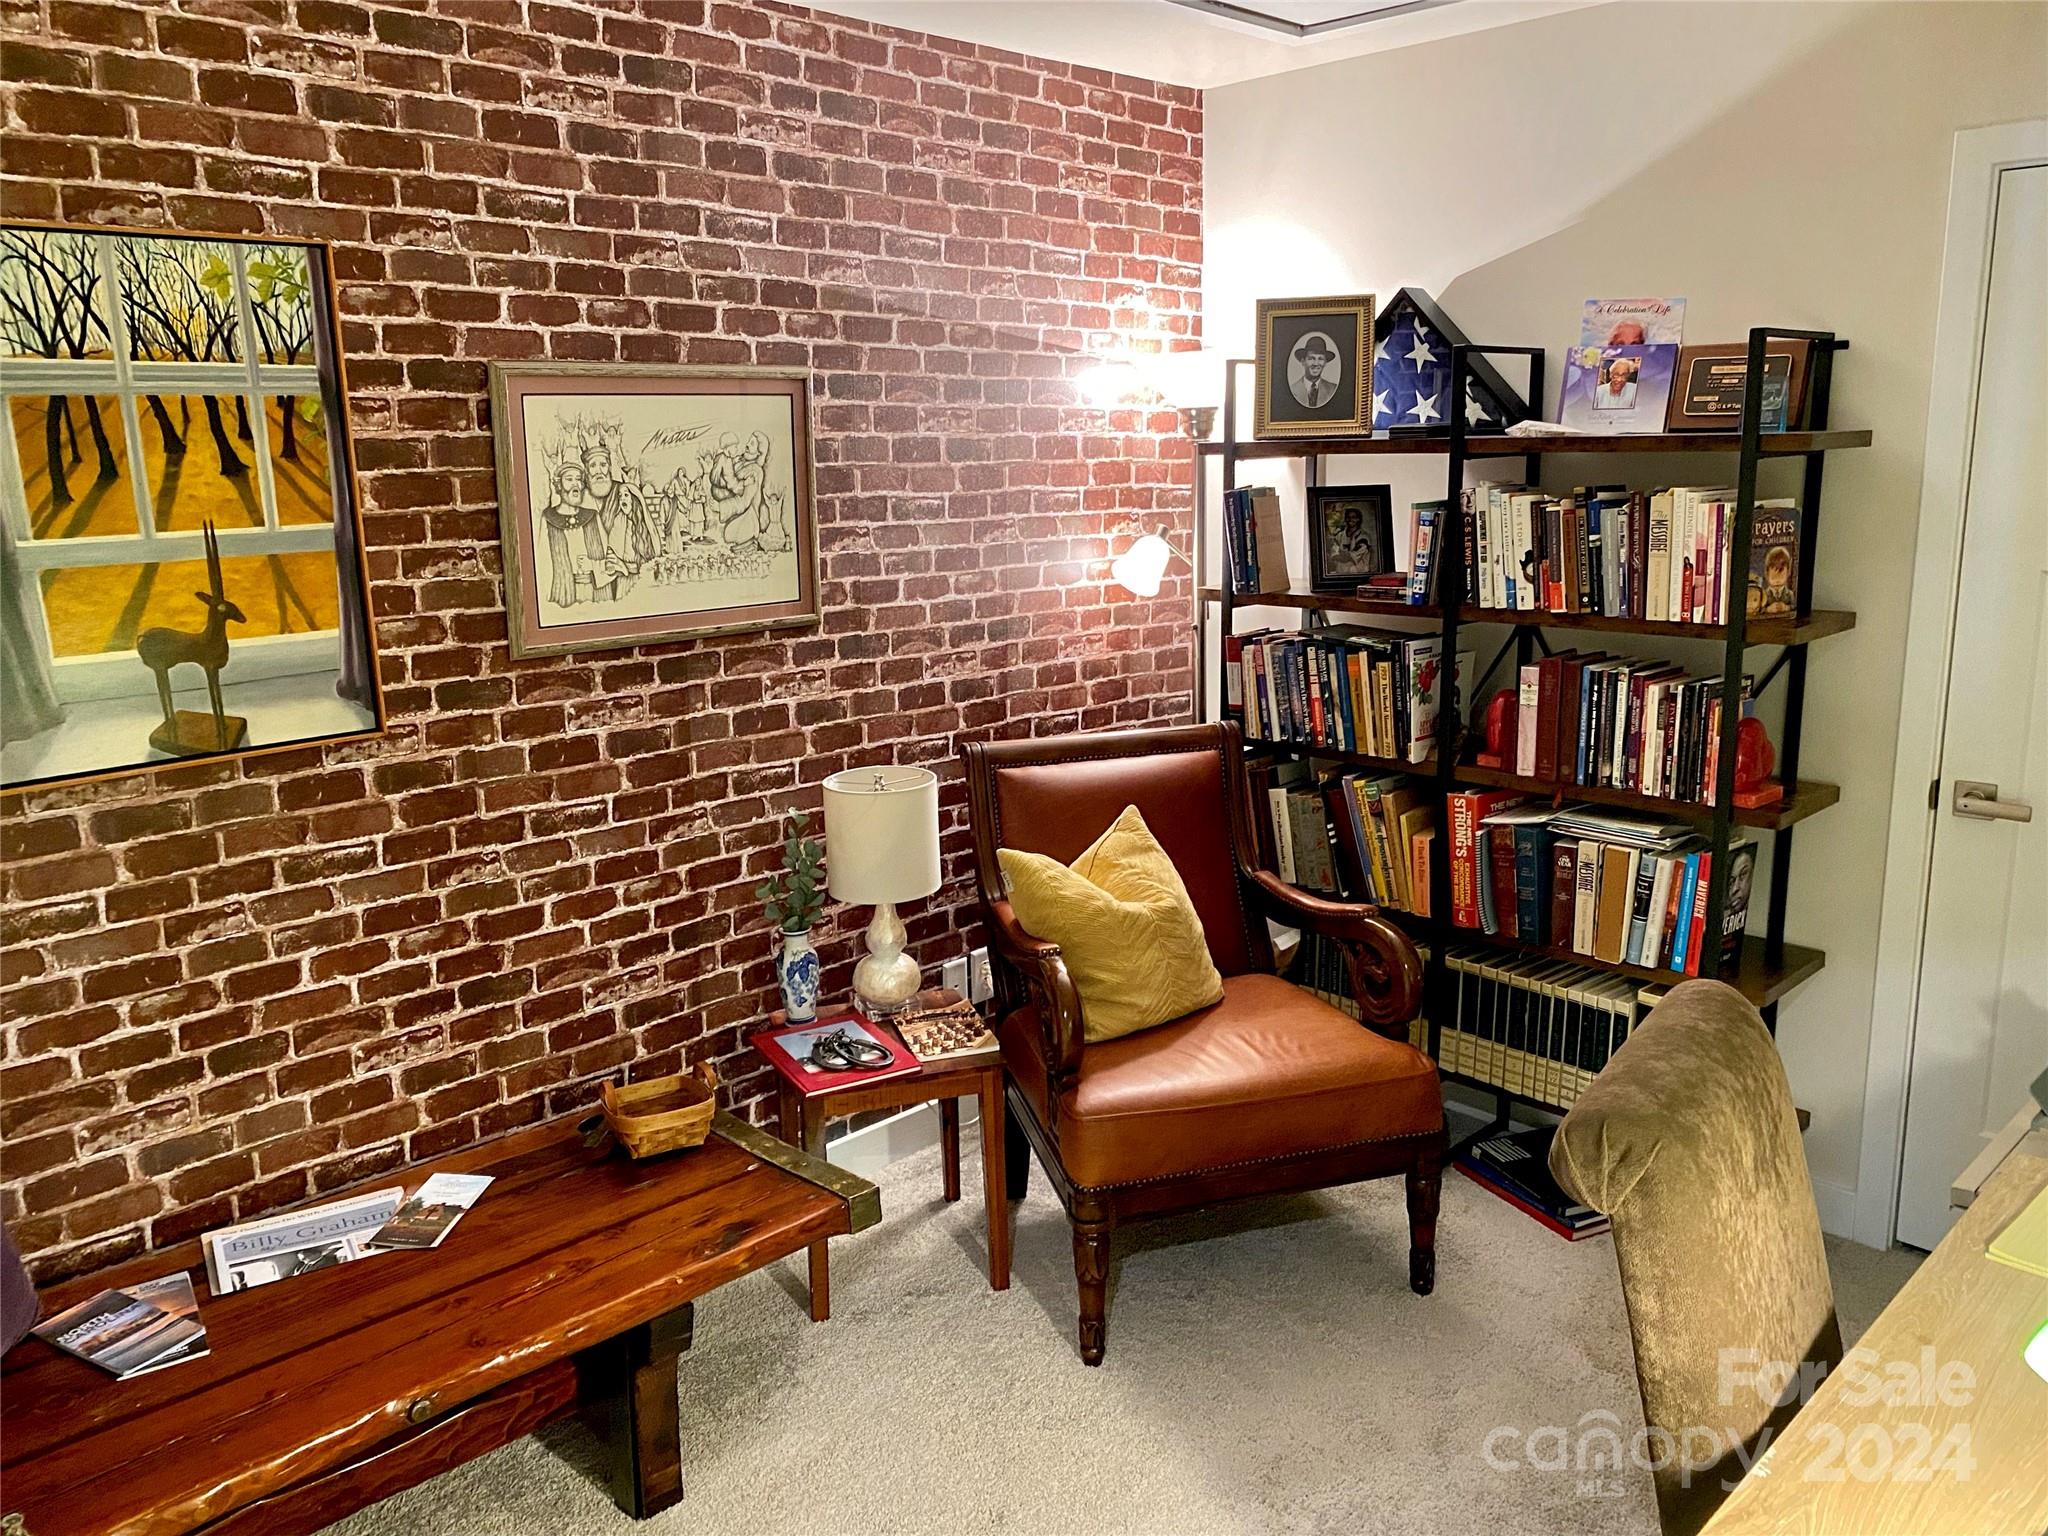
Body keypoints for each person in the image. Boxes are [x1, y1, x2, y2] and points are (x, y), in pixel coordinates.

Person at [1290, 333, 1339, 409]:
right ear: (1303, 361)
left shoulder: (1333, 389)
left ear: (1325, 363)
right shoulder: (1293, 390)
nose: (1316, 363)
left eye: (1320, 359)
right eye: (1311, 358)